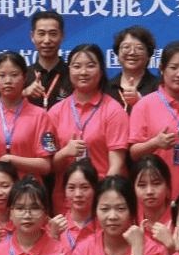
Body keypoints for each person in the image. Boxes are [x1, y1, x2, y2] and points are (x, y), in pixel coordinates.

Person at [49, 42, 129, 211]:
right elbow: (49, 166)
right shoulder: (55, 112)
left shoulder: (113, 110)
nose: (83, 72)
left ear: (101, 70)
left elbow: (117, 164)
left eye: (90, 66)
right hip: (65, 202)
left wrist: (103, 197)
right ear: (69, 70)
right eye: (77, 66)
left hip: (102, 201)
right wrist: (65, 152)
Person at [0, 52, 56, 189]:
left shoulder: (40, 115)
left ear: (24, 77)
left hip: (27, 194)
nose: (8, 80)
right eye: (1, 75)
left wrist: (11, 160)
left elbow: (46, 166)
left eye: (14, 75)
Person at [129, 41, 179, 197]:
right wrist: (154, 143)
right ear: (162, 68)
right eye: (173, 67)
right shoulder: (144, 105)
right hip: (154, 194)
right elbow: (133, 153)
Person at [24, 10, 71, 109]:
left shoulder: (72, 75)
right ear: (32, 36)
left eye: (53, 34)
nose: (47, 40)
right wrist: (23, 93)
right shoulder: (23, 76)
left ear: (62, 36)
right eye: (41, 34)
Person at [49, 160, 99, 252]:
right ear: (64, 190)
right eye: (71, 188)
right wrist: (53, 237)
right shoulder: (56, 227)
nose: (78, 194)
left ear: (95, 189)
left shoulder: (104, 225)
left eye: (84, 187)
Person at [110, 25, 159, 112]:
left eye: (139, 48)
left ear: (149, 54)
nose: (132, 52)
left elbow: (165, 116)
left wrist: (140, 101)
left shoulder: (159, 87)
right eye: (126, 47)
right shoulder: (107, 87)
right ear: (117, 53)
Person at [132, 155, 172, 229]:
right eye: (142, 185)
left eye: (156, 183)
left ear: (168, 187)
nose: (149, 191)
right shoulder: (130, 222)